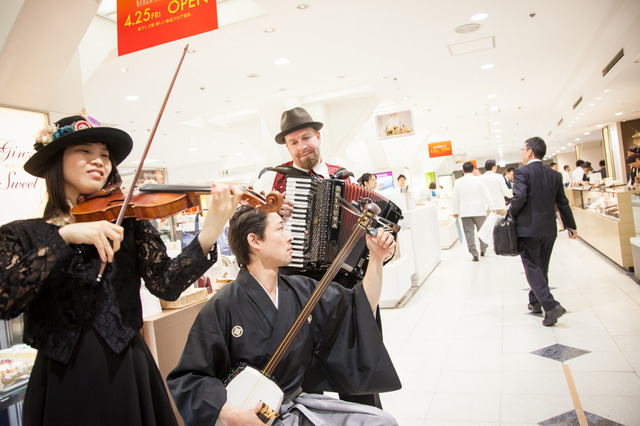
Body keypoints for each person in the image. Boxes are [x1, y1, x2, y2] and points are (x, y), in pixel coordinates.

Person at [0, 115, 241, 425]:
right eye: (84, 152)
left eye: (104, 154)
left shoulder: (128, 221)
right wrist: (63, 237)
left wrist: (210, 231)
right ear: (55, 161)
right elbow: (5, 300)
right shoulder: (20, 234)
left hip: (126, 370)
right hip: (60, 380)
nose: (98, 161)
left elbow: (165, 286)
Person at [166, 205, 401, 426]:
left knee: (382, 421)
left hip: (295, 404)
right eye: (280, 228)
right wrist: (232, 414)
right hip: (251, 415)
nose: (290, 236)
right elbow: (189, 378)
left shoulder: (303, 291)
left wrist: (376, 257)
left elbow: (358, 305)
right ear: (254, 240)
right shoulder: (223, 305)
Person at [252, 107, 384, 408]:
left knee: (356, 372)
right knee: (307, 377)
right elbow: (246, 227)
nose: (302, 147)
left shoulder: (344, 176)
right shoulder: (273, 179)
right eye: (293, 142)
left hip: (344, 289)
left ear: (318, 137)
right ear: (287, 147)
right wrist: (269, 213)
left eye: (306, 138)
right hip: (298, 289)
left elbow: (367, 236)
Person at [509, 137, 578, 327]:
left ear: (530, 151)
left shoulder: (522, 172)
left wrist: (510, 214)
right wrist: (571, 226)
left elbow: (520, 197)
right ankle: (535, 301)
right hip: (549, 228)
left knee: (531, 266)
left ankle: (551, 305)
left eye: (523, 149)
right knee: (541, 266)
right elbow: (562, 203)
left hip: (529, 228)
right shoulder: (554, 175)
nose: (521, 152)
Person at [451, 161, 493, 261]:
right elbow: (487, 194)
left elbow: (455, 198)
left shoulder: (458, 182)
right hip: (480, 210)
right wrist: (492, 207)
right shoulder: (479, 180)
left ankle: (473, 251)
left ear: (463, 170)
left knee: (468, 232)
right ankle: (483, 248)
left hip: (465, 212)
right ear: (473, 169)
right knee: (482, 230)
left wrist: (455, 211)